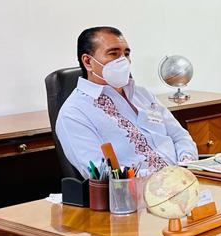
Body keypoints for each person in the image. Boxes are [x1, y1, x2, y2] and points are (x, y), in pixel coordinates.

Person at [55, 27, 198, 177]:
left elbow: (180, 136)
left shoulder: (142, 94)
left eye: (126, 54)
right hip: (138, 189)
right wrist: (161, 178)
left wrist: (186, 164)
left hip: (185, 179)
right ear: (88, 62)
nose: (123, 60)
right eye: (113, 53)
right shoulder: (73, 113)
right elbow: (102, 173)